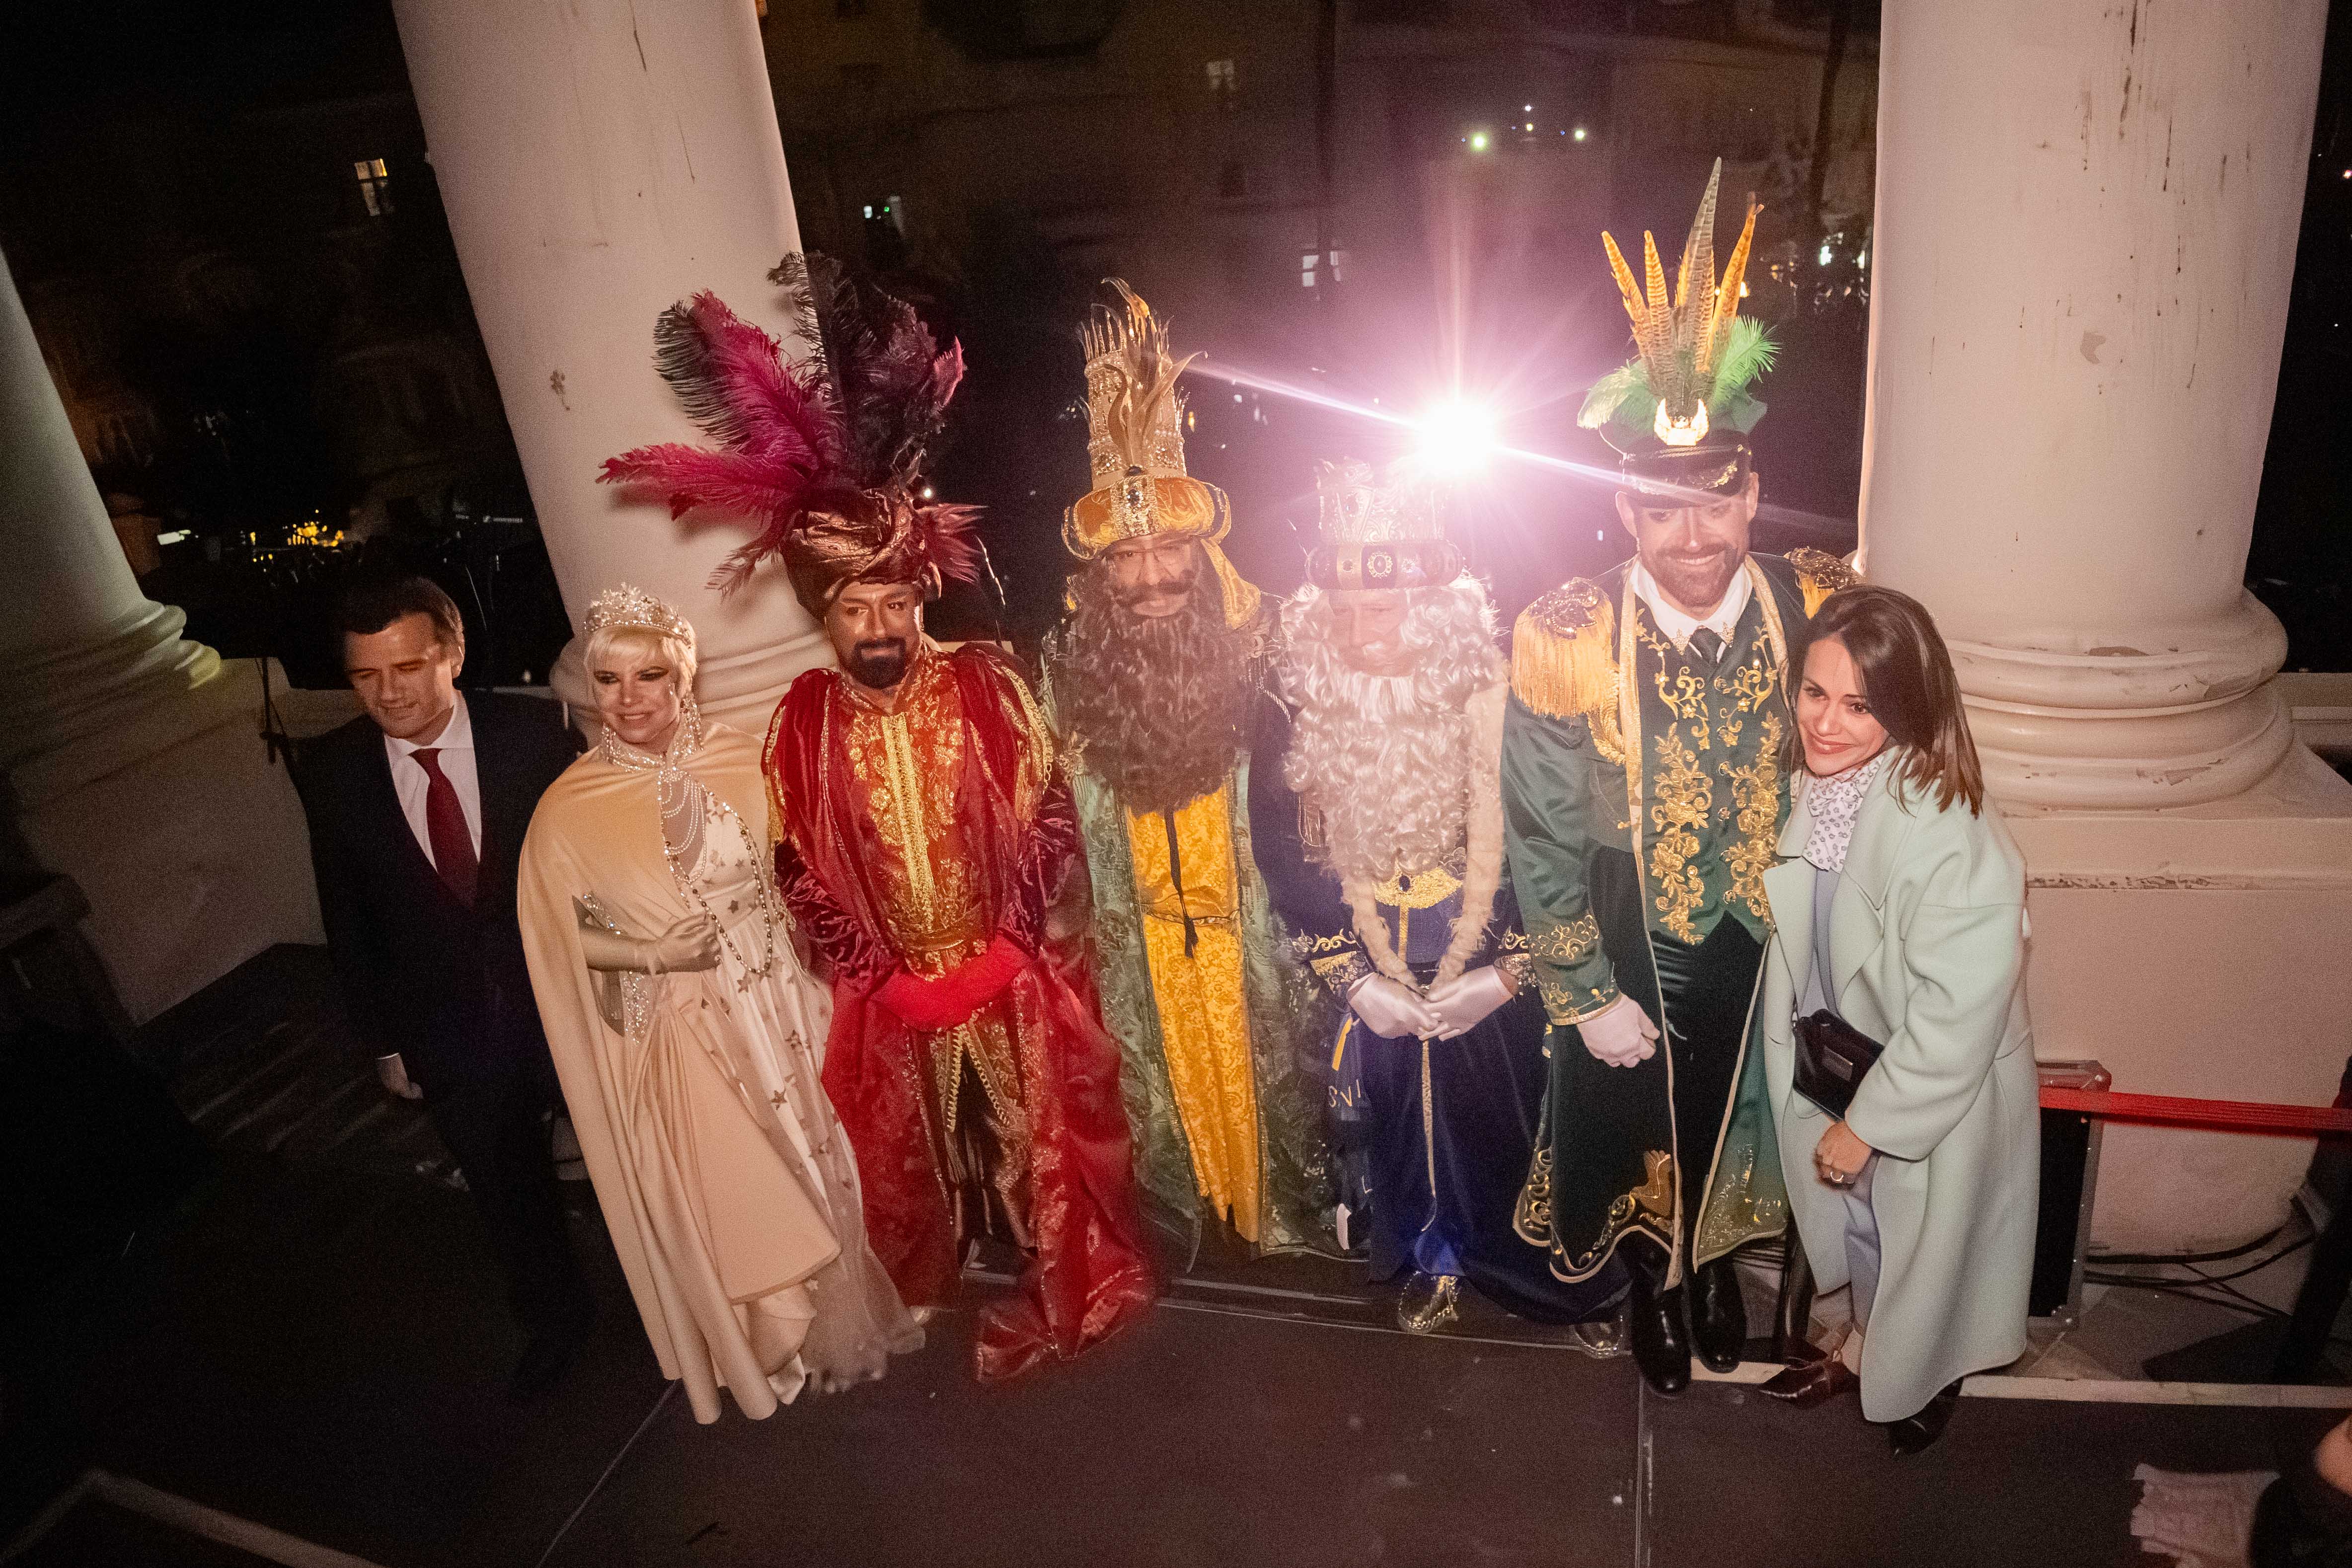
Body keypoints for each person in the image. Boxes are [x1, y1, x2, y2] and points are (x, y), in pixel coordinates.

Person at [602, 257, 1155, 1379]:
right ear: (827, 615)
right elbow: (795, 865)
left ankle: (1046, 1257)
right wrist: (880, 968)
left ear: (919, 597)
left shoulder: (991, 681)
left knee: (1030, 1144)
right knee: (927, 1155)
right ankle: (951, 1260)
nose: (880, 625)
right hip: (893, 989)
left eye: (896, 602)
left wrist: (1003, 945)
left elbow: (1048, 814)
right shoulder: (797, 723)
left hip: (1005, 969)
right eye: (856, 608)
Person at [1503, 158, 1854, 1395]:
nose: (1693, 539)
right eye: (1662, 512)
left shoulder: (1820, 600)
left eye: (1716, 505)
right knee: (1637, 1120)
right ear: (1622, 509)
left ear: (1753, 493)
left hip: (1772, 931)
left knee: (1749, 1113)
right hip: (1628, 932)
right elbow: (1540, 829)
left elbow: (1881, 757)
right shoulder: (1562, 631)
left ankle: (1719, 1268)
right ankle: (1657, 1273)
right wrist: (1580, 988)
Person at [517, 586, 920, 1423]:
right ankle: (778, 1332)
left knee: (825, 1145)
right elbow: (566, 946)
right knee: (745, 1183)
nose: (628, 698)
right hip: (685, 1028)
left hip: (780, 998)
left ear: (685, 678)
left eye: (651, 674)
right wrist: (653, 952)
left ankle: (854, 1304)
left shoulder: (749, 758)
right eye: (610, 678)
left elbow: (812, 872)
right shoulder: (565, 812)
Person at [1250, 458, 1627, 1340]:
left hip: (1497, 945)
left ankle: (1564, 1277)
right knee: (1401, 1123)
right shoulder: (1294, 700)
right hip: (1368, 947)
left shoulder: (1506, 697)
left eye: (1381, 610)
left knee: (1522, 1113)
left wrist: (1505, 974)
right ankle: (1435, 1257)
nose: (1360, 632)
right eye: (1341, 613)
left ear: (1435, 607)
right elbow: (1279, 844)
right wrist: (1353, 980)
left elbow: (1562, 843)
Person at [1044, 282, 1333, 1257]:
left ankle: (1280, 1210)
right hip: (1143, 937)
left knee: (1275, 1082)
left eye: (1172, 550)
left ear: (1204, 553)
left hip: (1252, 933)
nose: (1154, 575)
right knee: (1155, 1091)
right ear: (1099, 576)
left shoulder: (1271, 642)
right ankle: (1191, 1210)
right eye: (1128, 558)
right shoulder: (1066, 667)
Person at [1748, 584, 2038, 1452]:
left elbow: (1957, 1016)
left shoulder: (1949, 826)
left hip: (1921, 1091)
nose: (1826, 724)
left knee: (1930, 1246)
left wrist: (1870, 1125)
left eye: (1859, 704)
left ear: (1907, 705)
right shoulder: (1832, 790)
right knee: (1875, 1232)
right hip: (1852, 1067)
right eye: (1813, 692)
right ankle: (1872, 1346)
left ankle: (1922, 1371)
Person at [294, 574, 593, 1401]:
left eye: (409, 666)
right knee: (504, 1188)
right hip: (446, 1025)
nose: (387, 692)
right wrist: (384, 1038)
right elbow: (345, 913)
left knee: (629, 1162)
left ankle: (682, 1298)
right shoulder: (328, 770)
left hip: (566, 1004)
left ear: (454, 654)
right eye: (365, 676)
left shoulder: (536, 733)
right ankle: (554, 1320)